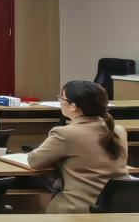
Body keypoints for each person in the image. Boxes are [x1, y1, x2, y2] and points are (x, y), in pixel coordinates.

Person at [27, 80, 129, 213]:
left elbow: (34, 161)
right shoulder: (118, 131)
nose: (59, 100)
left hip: (76, 209)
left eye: (61, 97)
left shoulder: (65, 134)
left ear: (73, 106)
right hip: (117, 209)